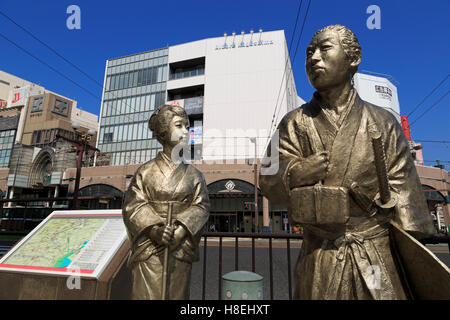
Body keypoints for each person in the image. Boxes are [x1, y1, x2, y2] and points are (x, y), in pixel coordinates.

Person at [259, 25, 436, 299]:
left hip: (375, 251)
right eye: (309, 53)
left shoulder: (383, 122)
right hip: (320, 252)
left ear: (353, 58)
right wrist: (295, 172)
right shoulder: (294, 122)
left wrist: (412, 240)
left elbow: (404, 192)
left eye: (324, 48)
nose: (314, 58)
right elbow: (267, 175)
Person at [122, 104, 210, 300]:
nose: (185, 131)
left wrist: (180, 230)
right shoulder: (146, 171)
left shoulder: (195, 175)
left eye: (187, 127)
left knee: (177, 294)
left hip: (179, 248)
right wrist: (154, 230)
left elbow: (202, 206)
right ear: (163, 132)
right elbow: (133, 206)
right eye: (179, 126)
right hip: (150, 249)